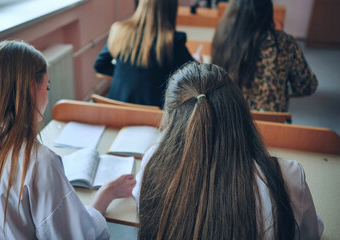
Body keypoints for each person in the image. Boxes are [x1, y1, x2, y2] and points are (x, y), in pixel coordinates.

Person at [0, 40, 136, 239]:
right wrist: (104, 195)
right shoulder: (38, 161)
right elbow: (76, 235)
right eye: (46, 88)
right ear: (30, 88)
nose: (47, 97)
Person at [133, 62, 323, 239]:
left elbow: (143, 209)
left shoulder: (153, 160)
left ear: (170, 117)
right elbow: (311, 233)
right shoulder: (288, 176)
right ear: (239, 111)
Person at [211, 0, 318, 112]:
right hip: (273, 126)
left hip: (230, 122)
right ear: (268, 11)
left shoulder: (222, 40)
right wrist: (280, 85)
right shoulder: (285, 43)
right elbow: (308, 86)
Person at [93, 0, 194, 108]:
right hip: (153, 115)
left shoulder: (120, 31)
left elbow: (100, 65)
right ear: (171, 9)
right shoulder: (173, 41)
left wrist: (125, 73)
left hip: (116, 109)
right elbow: (193, 75)